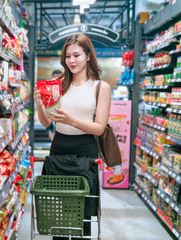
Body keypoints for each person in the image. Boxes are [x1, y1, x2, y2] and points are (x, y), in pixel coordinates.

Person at [34, 33, 111, 239]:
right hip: (59, 149)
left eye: (76, 55)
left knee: (82, 212)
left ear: (88, 56)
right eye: (67, 56)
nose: (71, 61)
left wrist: (72, 121)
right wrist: (39, 104)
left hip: (85, 152)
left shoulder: (100, 87)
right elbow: (46, 122)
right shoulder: (57, 83)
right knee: (57, 212)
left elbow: (99, 128)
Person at [46, 69, 63, 141]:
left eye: (59, 78)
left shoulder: (65, 88)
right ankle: (53, 142)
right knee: (50, 128)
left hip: (62, 114)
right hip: (51, 112)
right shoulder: (48, 89)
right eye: (55, 78)